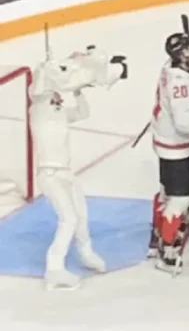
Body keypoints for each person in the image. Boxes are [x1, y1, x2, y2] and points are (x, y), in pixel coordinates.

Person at [30, 47, 127, 289]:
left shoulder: (58, 112)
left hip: (65, 172)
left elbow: (83, 112)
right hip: (49, 174)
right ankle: (54, 268)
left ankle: (86, 253)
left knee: (81, 215)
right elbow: (42, 85)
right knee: (69, 219)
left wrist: (78, 90)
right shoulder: (39, 109)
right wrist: (62, 68)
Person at [150, 33, 189, 273]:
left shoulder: (171, 68)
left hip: (164, 140)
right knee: (180, 199)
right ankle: (167, 250)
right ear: (184, 54)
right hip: (176, 146)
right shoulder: (180, 84)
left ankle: (159, 233)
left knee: (167, 193)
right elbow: (185, 122)